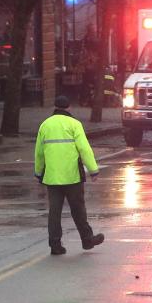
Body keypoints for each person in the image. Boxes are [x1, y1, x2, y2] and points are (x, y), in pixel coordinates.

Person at [34, 96, 104, 255]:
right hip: (72, 177)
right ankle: (87, 240)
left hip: (52, 177)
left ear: (55, 106)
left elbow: (39, 153)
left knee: (54, 212)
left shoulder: (45, 125)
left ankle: (55, 245)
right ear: (69, 107)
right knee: (78, 210)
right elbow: (84, 149)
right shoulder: (75, 125)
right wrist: (93, 170)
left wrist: (38, 173)